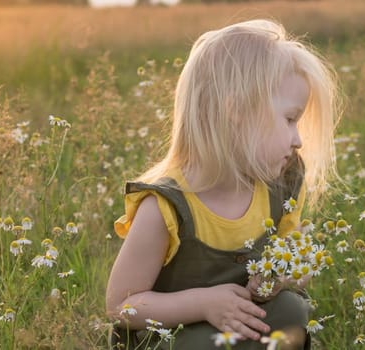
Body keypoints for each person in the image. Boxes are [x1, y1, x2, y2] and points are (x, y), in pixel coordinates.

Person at [106, 19, 339, 350]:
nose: (298, 139)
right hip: (178, 335)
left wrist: (280, 278)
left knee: (291, 308)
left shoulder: (280, 184)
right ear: (237, 111)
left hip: (237, 325)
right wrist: (203, 304)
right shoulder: (165, 207)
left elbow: (297, 259)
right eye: (290, 119)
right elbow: (121, 305)